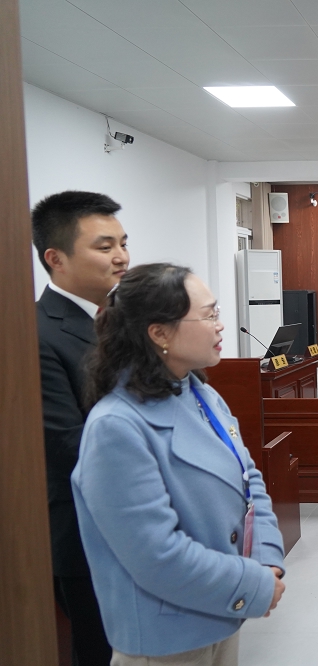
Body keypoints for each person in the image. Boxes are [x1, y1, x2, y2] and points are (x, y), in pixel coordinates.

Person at [71, 263, 286, 666]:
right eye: (209, 315)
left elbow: (249, 480)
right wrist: (250, 582)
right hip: (165, 637)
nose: (220, 325)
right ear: (160, 333)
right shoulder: (116, 426)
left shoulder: (200, 393)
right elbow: (156, 555)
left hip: (219, 615)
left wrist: (267, 560)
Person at [32, 190, 130, 665]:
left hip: (136, 519)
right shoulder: (37, 333)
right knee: (99, 653)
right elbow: (68, 444)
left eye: (123, 243)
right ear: (56, 258)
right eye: (104, 246)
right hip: (86, 530)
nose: (121, 257)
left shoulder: (121, 321)